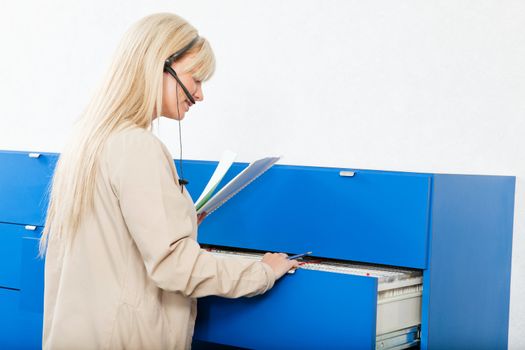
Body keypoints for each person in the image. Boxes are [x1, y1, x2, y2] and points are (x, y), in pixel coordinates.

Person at [40, 12, 298, 349]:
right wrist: (263, 271)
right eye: (196, 79)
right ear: (160, 66)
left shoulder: (87, 142)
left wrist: (181, 220)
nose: (200, 95)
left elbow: (113, 242)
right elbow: (174, 267)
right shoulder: (137, 146)